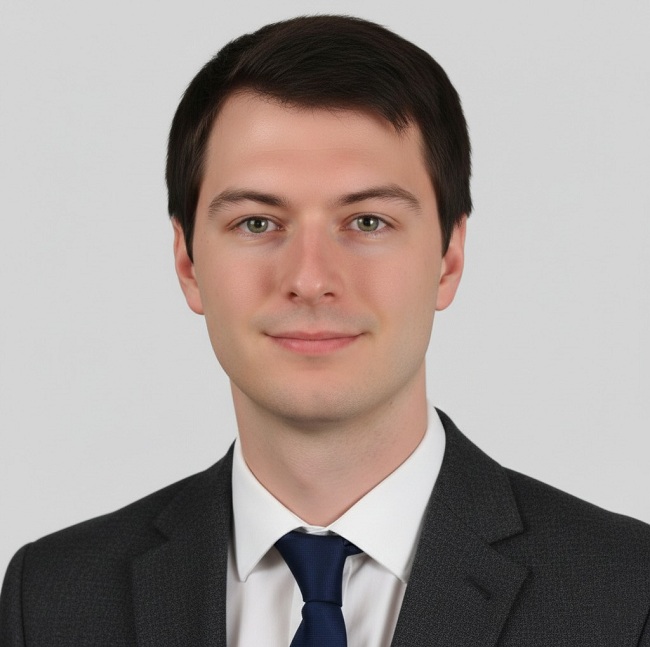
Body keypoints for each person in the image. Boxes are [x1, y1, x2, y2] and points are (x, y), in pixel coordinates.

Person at [1, 14, 649, 647]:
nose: (310, 279)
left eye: (368, 222)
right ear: (187, 262)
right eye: (257, 223)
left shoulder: (628, 594)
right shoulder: (51, 599)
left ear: (449, 258)